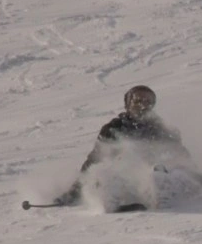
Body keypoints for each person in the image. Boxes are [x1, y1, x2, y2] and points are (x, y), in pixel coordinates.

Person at [54, 85, 191, 207]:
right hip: (126, 181)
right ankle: (112, 200)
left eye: (148, 102)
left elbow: (183, 159)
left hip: (153, 179)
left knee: (160, 172)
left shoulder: (162, 130)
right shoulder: (114, 129)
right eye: (137, 101)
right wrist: (74, 192)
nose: (143, 106)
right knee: (104, 174)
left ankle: (164, 197)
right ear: (128, 104)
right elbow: (94, 160)